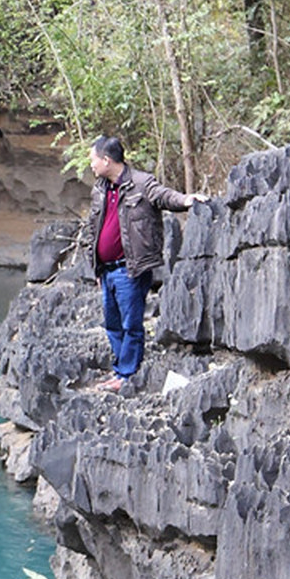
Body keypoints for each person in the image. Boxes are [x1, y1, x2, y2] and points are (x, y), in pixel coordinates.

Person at [84, 136, 204, 393]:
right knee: (113, 324)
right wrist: (95, 266)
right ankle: (120, 371)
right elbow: (92, 228)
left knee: (131, 324)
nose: (90, 164)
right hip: (106, 270)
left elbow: (162, 196)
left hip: (131, 268)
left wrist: (185, 200)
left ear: (106, 160)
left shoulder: (140, 183)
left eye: (93, 159)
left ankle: (127, 374)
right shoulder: (100, 189)